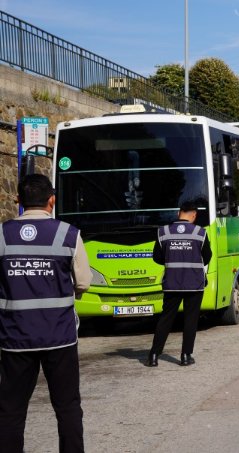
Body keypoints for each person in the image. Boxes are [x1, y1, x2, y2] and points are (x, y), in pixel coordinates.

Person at [0, 174, 91, 453]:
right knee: (67, 408)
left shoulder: (2, 234)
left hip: (15, 339)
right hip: (59, 338)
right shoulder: (68, 233)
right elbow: (84, 282)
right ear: (52, 200)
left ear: (18, 201)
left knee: (11, 411)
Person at [146, 201, 212, 367]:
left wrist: (171, 258)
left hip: (172, 283)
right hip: (194, 284)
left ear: (179, 213)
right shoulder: (200, 232)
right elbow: (208, 256)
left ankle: (154, 355)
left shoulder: (163, 232)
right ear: (194, 215)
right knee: (190, 319)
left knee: (166, 319)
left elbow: (156, 257)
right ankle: (185, 356)